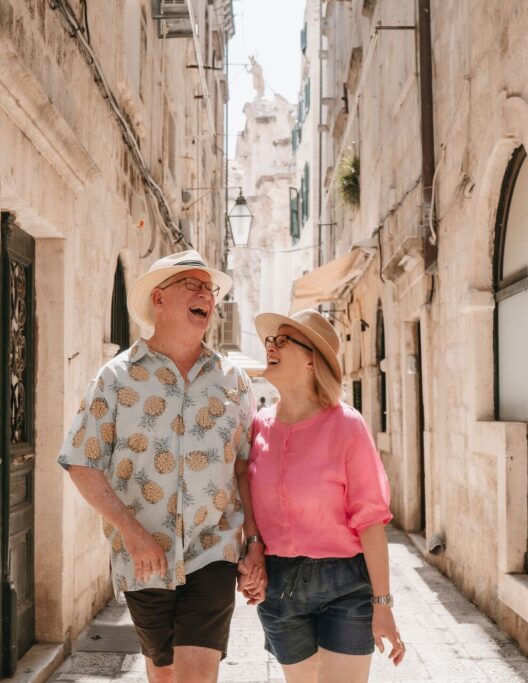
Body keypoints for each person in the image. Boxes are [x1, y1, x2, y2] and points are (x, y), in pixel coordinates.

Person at [58, 250, 262, 683]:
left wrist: (255, 542)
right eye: (192, 284)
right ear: (159, 299)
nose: (206, 293)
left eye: (210, 288)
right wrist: (132, 534)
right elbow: (82, 462)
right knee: (164, 673)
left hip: (213, 551)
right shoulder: (115, 378)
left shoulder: (233, 381)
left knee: (194, 675)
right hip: (144, 557)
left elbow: (245, 468)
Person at [239, 309, 404, 682]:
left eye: (283, 341)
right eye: (270, 340)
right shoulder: (258, 426)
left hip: (344, 583)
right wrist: (251, 552)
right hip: (279, 586)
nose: (271, 347)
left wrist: (383, 604)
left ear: (312, 358)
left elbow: (371, 520)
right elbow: (246, 501)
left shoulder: (347, 425)